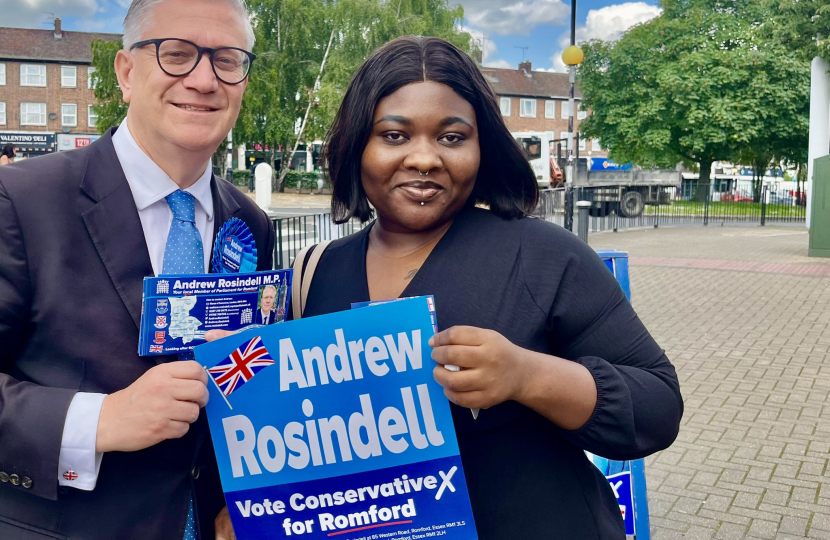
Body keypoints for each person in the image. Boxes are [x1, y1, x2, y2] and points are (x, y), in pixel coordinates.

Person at [221, 36, 682, 539]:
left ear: (482, 146)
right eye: (394, 136)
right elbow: (291, 436)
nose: (424, 159)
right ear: (358, 146)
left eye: (452, 137)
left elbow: (657, 407)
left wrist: (528, 376)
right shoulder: (314, 272)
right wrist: (253, 510)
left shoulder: (544, 255)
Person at [0, 0, 274, 538]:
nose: (203, 79)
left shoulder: (252, 224)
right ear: (126, 72)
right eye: (176, 55)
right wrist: (98, 421)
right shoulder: (20, 200)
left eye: (227, 59)